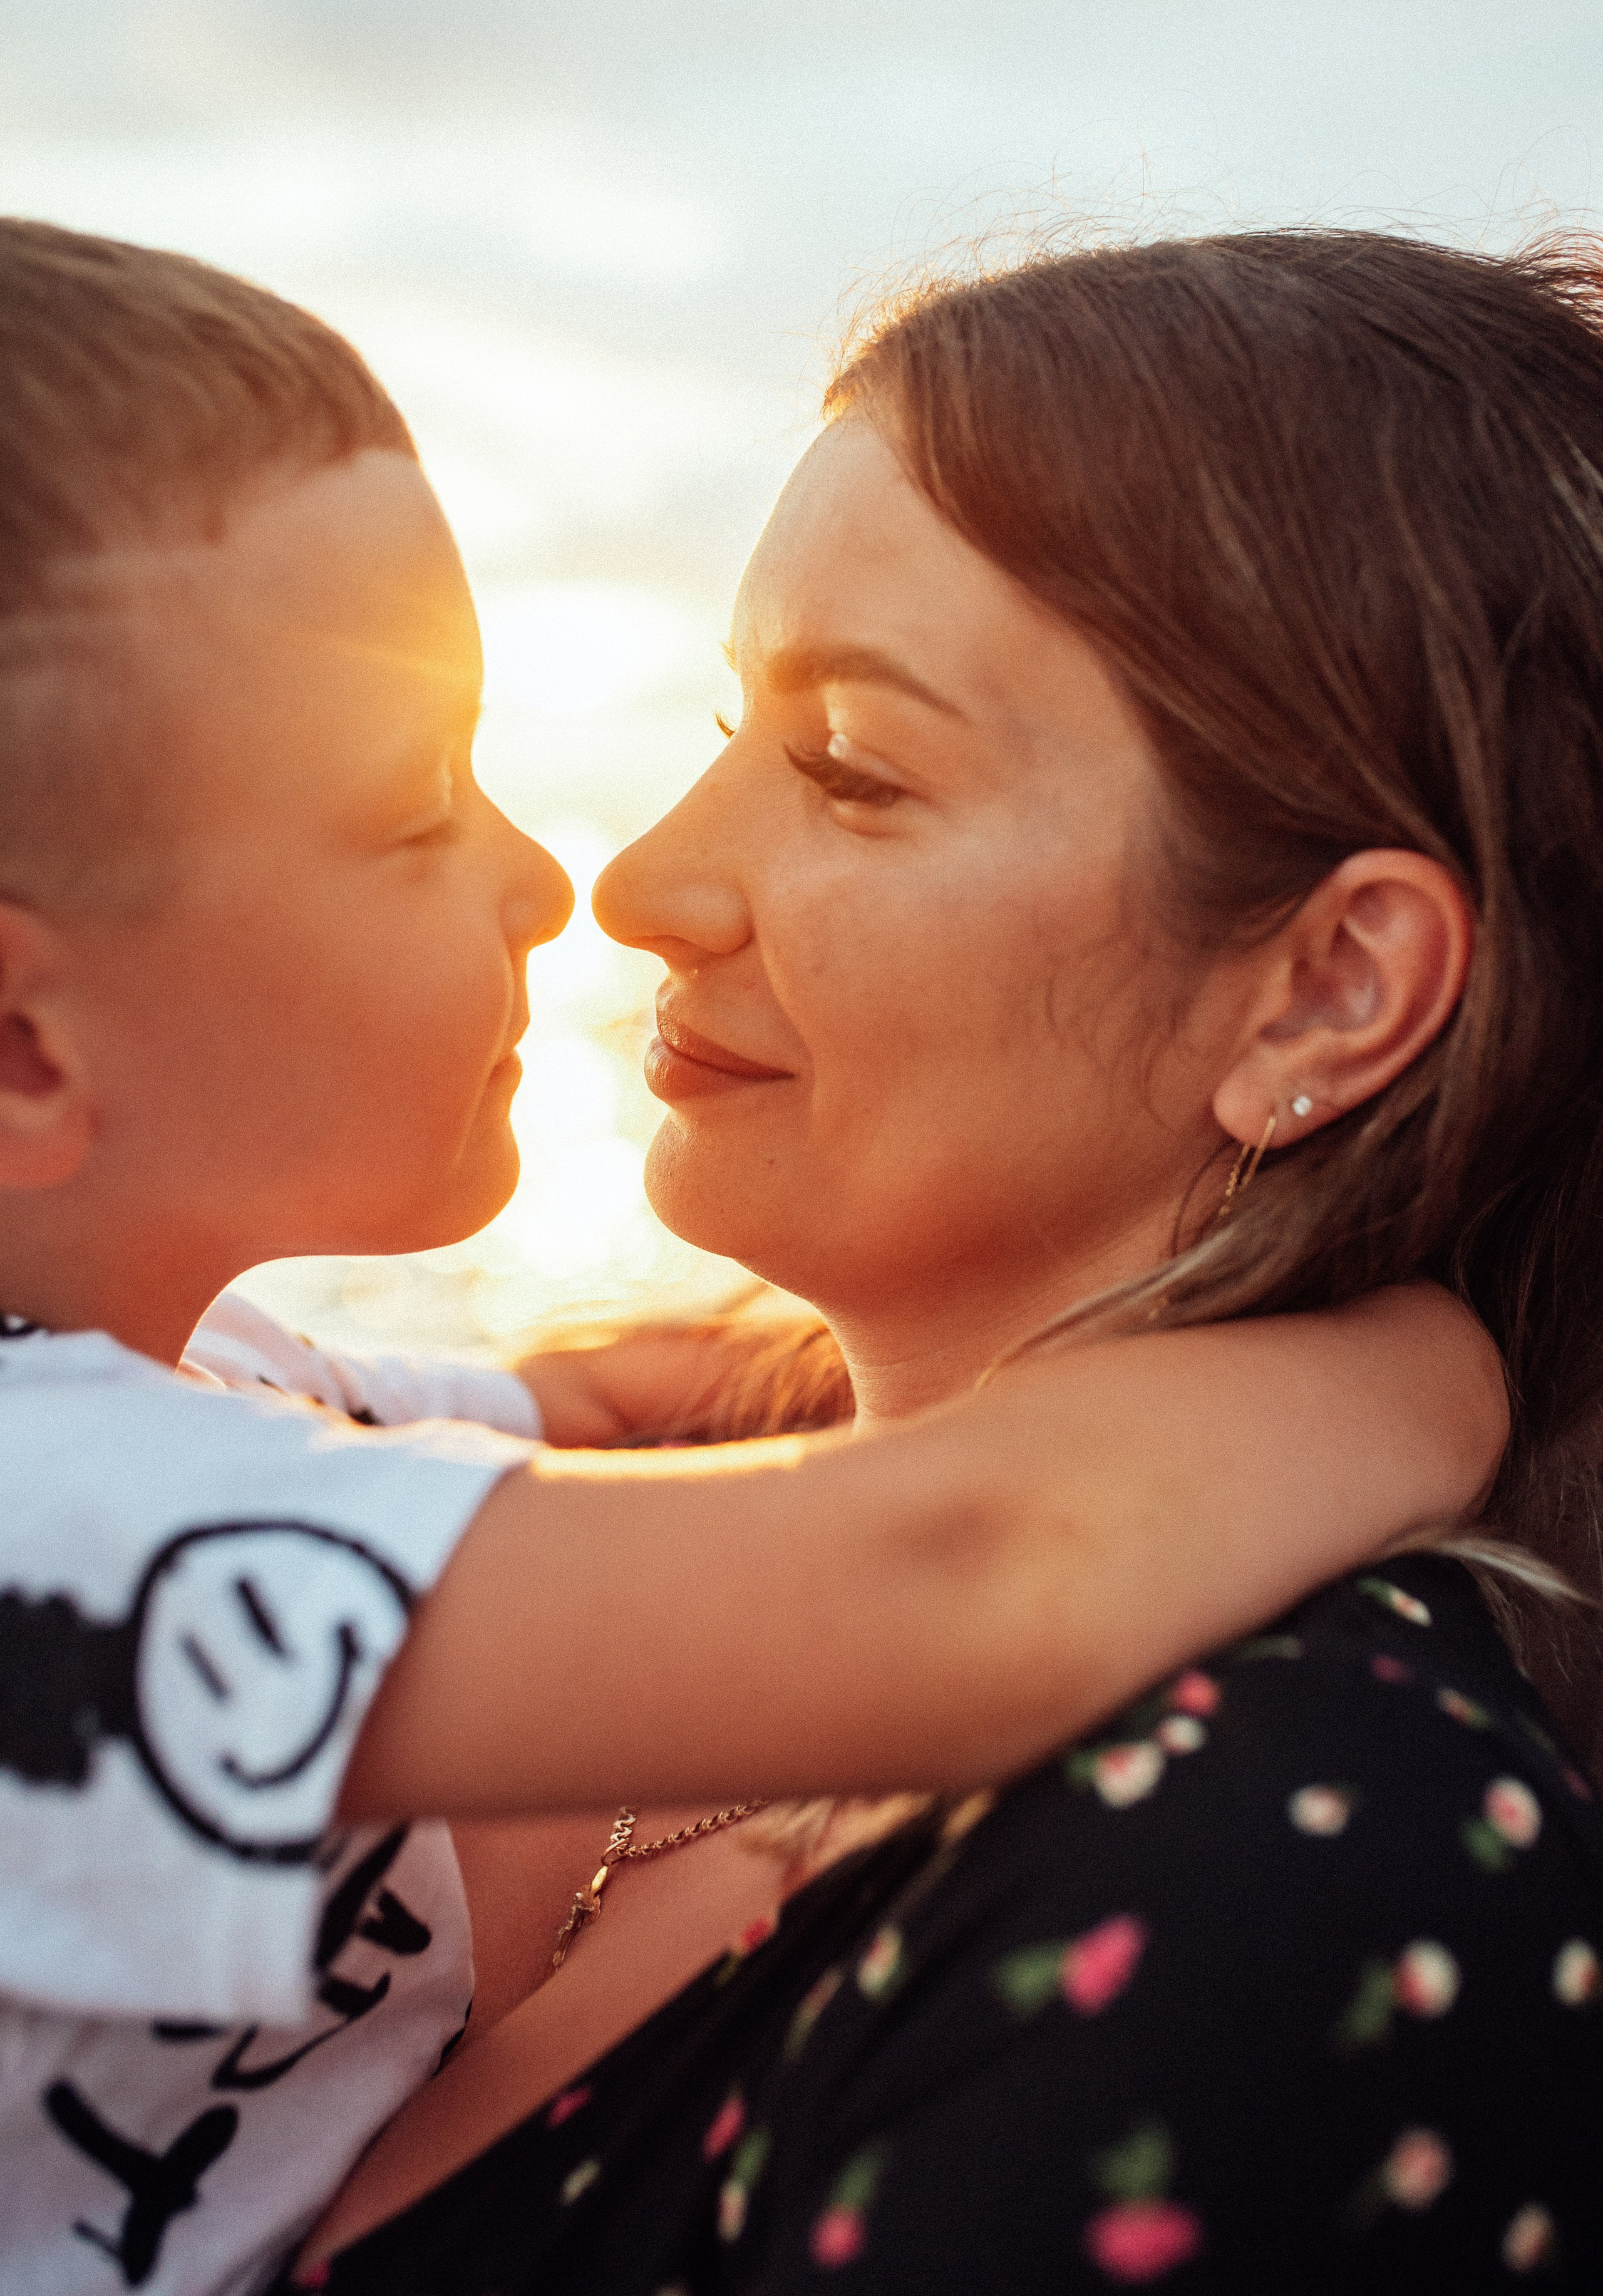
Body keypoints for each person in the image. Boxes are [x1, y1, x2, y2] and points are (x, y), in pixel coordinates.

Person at [0, 218, 1498, 2296]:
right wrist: (1423, 1368)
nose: (597, 879)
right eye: (416, 808)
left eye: (853, 766)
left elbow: (585, 1400)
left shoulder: (1295, 1850)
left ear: (1331, 987)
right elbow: (962, 1573)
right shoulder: (53, 1524)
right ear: (21, 1044)